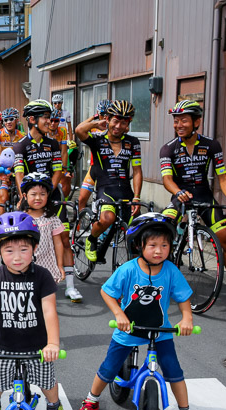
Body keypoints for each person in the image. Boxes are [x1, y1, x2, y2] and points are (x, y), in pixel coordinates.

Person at [76, 213, 200, 410]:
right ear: (139, 245)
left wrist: (187, 318)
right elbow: (107, 291)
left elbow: (183, 297)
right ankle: (91, 399)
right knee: (109, 368)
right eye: (152, 245)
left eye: (164, 245)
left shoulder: (171, 270)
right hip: (128, 330)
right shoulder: (128, 270)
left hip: (160, 331)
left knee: (174, 371)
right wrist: (119, 314)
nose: (159, 250)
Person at [0, 212, 70, 410]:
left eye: (24, 249)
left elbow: (49, 311)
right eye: (9, 251)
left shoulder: (43, 276)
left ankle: (55, 407)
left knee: (48, 382)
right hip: (4, 347)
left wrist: (53, 344)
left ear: (34, 249)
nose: (17, 257)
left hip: (38, 347)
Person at [160, 100, 226, 302]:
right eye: (176, 121)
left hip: (204, 197)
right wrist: (178, 192)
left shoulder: (212, 145)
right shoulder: (168, 149)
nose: (178, 125)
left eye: (183, 121)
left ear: (197, 122)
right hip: (180, 197)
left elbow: (222, 175)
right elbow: (167, 179)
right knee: (161, 230)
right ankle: (161, 274)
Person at [14, 100, 82, 302]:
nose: (49, 121)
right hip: (29, 198)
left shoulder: (52, 144)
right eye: (45, 117)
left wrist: (48, 192)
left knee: (64, 239)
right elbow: (19, 174)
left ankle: (70, 286)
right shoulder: (21, 146)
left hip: (51, 197)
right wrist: (24, 196)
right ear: (32, 120)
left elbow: (58, 170)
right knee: (28, 240)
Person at [75, 100, 143, 264]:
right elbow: (79, 130)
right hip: (105, 188)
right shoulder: (97, 139)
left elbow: (137, 171)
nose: (118, 126)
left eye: (124, 122)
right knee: (107, 219)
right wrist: (96, 123)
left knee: (138, 231)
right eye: (115, 121)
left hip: (126, 190)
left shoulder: (133, 143)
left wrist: (137, 197)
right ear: (109, 120)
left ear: (128, 124)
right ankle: (92, 239)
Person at [20, 173, 65, 283]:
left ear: (48, 195)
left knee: (46, 297)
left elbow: (58, 243)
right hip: (25, 266)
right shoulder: (20, 219)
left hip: (47, 265)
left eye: (42, 194)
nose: (38, 198)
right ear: (25, 196)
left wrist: (60, 265)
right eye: (33, 194)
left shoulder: (51, 218)